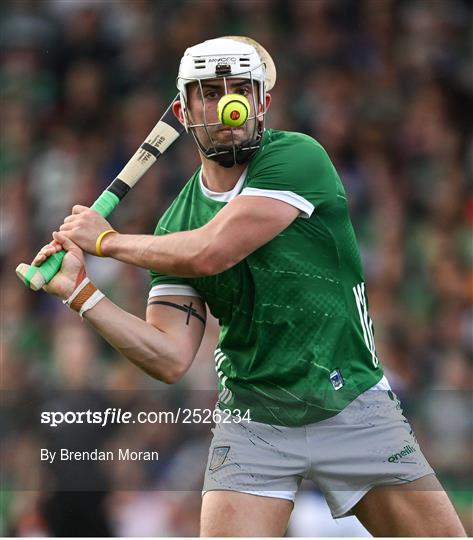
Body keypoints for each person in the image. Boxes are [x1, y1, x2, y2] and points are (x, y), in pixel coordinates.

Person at [32, 37, 465, 537]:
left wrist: (106, 241)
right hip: (253, 417)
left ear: (263, 103)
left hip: (350, 403)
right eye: (210, 92)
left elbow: (213, 251)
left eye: (241, 89)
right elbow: (169, 356)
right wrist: (81, 293)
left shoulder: (298, 159)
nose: (227, 104)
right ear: (183, 108)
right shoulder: (176, 226)